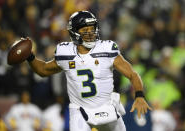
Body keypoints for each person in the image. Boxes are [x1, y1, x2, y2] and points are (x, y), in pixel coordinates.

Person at [23, 11, 151, 131]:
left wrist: (139, 95)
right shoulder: (65, 52)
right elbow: (43, 70)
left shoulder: (107, 49)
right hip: (80, 110)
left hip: (107, 107)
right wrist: (30, 57)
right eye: (85, 30)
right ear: (74, 32)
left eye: (92, 29)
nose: (90, 33)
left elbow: (132, 74)